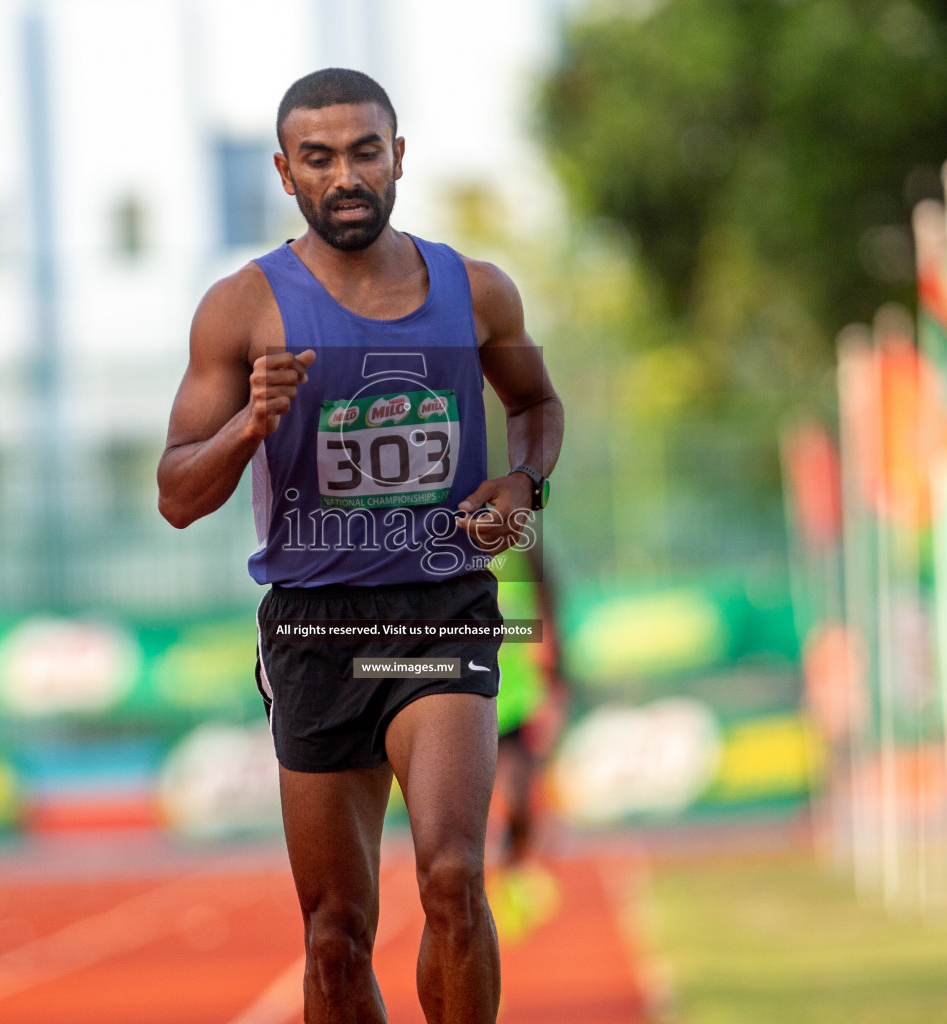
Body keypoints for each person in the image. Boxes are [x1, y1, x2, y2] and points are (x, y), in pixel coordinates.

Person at [157, 68, 563, 1024]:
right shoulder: (242, 309)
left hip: (442, 609)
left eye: (365, 152)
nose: (346, 175)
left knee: (456, 876)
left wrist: (525, 485)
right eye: (320, 157)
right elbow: (177, 494)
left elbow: (537, 404)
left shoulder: (476, 292)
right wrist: (247, 428)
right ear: (286, 172)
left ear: (399, 157)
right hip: (313, 628)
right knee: (335, 934)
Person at [486, 542, 569, 944]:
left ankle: (514, 876)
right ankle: (489, 888)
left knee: (521, 797)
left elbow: (541, 625)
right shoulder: (450, 556)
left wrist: (548, 692)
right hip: (472, 696)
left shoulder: (521, 557)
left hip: (518, 700)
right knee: (482, 804)